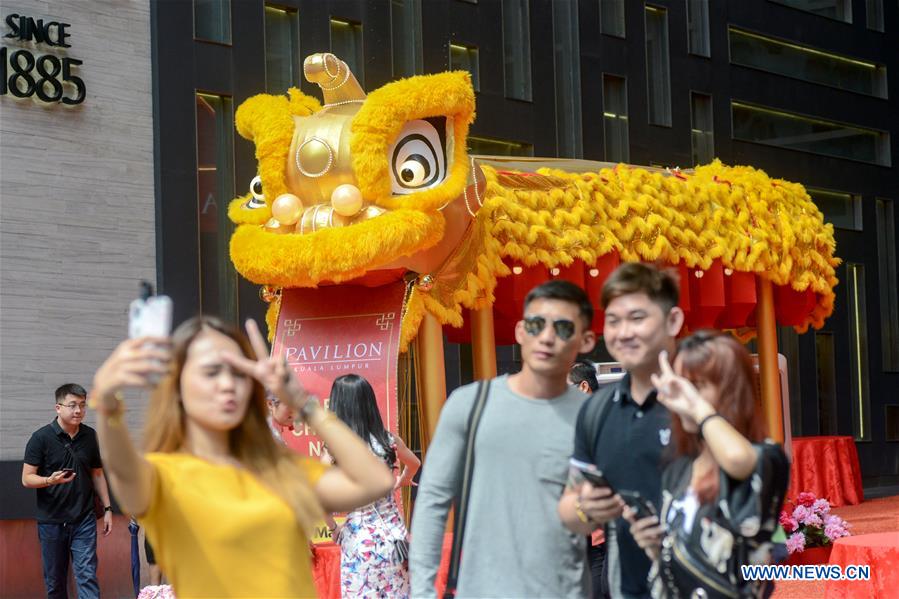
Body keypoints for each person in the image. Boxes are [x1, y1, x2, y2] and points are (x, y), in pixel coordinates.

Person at [89, 316, 395, 598]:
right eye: (211, 372)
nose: (228, 384)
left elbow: (375, 481)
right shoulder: (163, 475)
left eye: (238, 373)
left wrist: (302, 402)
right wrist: (107, 403)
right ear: (178, 387)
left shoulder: (279, 467)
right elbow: (122, 471)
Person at [410, 280, 597, 598]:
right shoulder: (470, 404)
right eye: (538, 325)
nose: (548, 338)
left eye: (563, 328)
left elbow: (592, 514)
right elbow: (432, 501)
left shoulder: (592, 418)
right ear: (521, 332)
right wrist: (423, 591)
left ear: (585, 340)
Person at [626, 331, 789, 597]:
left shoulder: (767, 458)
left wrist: (698, 408)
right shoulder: (678, 467)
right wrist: (656, 547)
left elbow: (738, 460)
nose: (684, 396)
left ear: (731, 392)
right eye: (679, 385)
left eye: (697, 386)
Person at [558, 262, 684, 599]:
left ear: (673, 320)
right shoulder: (596, 413)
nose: (623, 332)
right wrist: (586, 508)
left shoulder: (701, 399)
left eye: (637, 318)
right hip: (623, 585)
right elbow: (573, 507)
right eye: (613, 321)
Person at [327, 373, 420, 598]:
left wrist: (333, 528)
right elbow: (415, 464)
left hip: (359, 542)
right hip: (395, 541)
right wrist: (404, 479)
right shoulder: (389, 440)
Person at [22, 383, 114, 599]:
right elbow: (26, 478)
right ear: (58, 407)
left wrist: (108, 508)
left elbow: (98, 474)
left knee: (87, 576)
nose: (78, 411)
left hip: (84, 519)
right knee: (55, 583)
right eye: (72, 405)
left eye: (82, 405)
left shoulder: (90, 436)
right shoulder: (40, 438)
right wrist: (49, 480)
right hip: (52, 522)